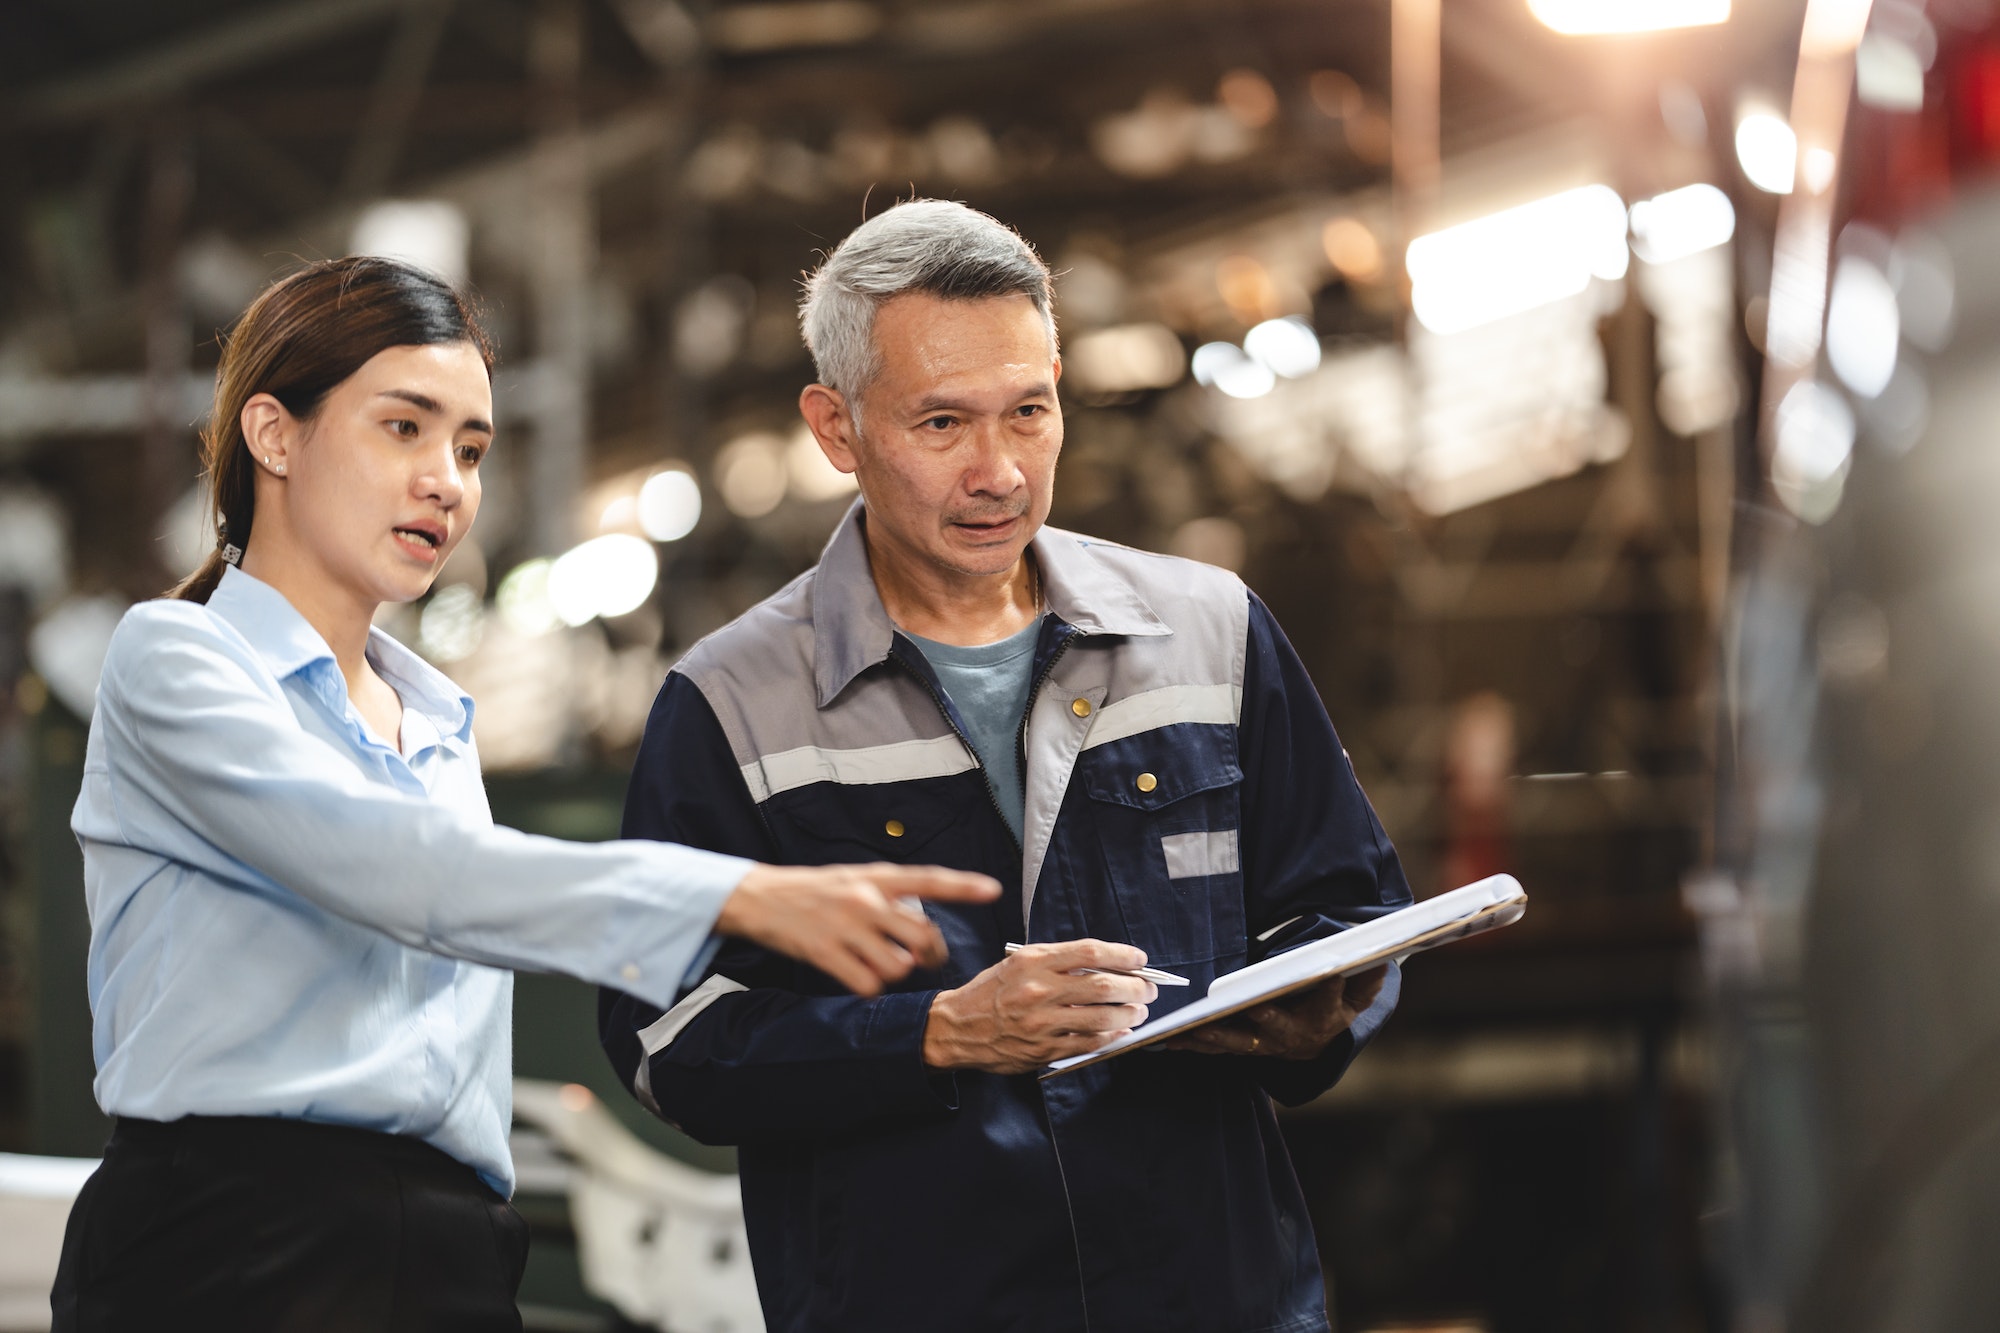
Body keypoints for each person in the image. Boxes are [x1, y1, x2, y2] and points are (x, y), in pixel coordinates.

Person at [50, 256, 997, 1333]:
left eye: (469, 448)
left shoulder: (437, 720)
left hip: (450, 1247)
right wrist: (730, 896)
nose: (446, 482)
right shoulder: (175, 659)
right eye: (402, 428)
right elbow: (402, 872)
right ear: (274, 434)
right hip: (226, 1249)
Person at [598, 200, 1411, 1333]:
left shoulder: (1209, 635)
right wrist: (935, 1032)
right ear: (835, 429)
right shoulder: (731, 705)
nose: (999, 472)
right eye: (940, 424)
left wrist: (1315, 1012)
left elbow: (1347, 905)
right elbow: (665, 1041)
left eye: (1028, 411)